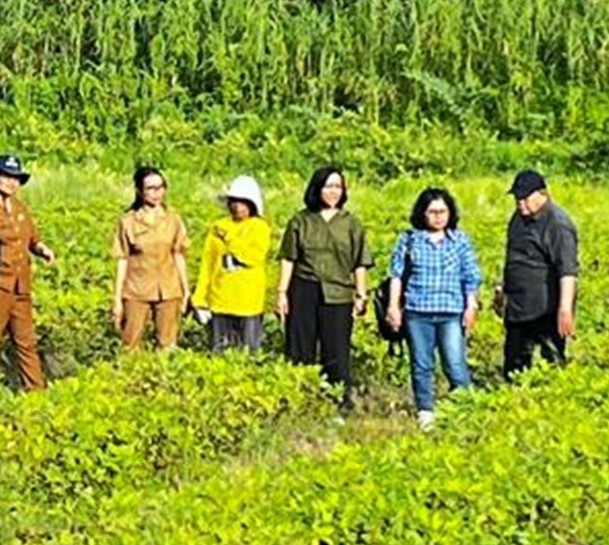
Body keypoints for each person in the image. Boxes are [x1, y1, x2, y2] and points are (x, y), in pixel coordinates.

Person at [384, 186, 483, 431]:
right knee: (421, 363)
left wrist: (471, 306)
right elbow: (396, 275)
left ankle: (463, 408)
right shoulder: (409, 240)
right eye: (432, 212)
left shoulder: (459, 240)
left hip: (451, 311)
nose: (438, 216)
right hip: (418, 311)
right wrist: (393, 306)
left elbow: (470, 276)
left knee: (455, 362)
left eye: (443, 211)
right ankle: (425, 411)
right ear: (423, 214)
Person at [276, 165, 370, 410]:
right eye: (328, 186)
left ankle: (337, 403)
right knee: (300, 348)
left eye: (338, 186)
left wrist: (361, 294)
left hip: (338, 293)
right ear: (317, 188)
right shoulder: (300, 220)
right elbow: (288, 258)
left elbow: (360, 261)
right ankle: (300, 401)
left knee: (336, 350)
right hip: (304, 289)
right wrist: (282, 293)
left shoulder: (351, 223)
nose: (333, 191)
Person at [0, 153, 55, 389]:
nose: (11, 182)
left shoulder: (20, 207)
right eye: (6, 176)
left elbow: (32, 239)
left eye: (16, 178)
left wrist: (42, 249)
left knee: (26, 341)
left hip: (21, 285)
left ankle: (36, 392)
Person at [494, 169, 579, 377]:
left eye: (525, 198)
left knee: (550, 362)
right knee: (514, 365)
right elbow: (513, 258)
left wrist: (565, 308)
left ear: (542, 194)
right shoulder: (518, 219)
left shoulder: (557, 224)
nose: (520, 203)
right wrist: (501, 291)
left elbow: (567, 269)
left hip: (546, 309)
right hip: (517, 306)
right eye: (517, 198)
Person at [112, 166, 191, 351]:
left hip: (169, 289)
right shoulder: (128, 221)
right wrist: (117, 298)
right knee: (130, 344)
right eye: (151, 189)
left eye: (161, 187)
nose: (157, 193)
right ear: (139, 191)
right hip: (136, 290)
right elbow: (122, 259)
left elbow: (178, 254)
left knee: (167, 344)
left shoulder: (173, 219)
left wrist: (185, 289)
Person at [193, 175, 271, 354]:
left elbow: (253, 257)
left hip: (248, 304)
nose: (237, 206)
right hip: (220, 301)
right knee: (219, 352)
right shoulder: (218, 226)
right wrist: (199, 298)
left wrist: (229, 238)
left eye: (243, 201)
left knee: (248, 354)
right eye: (234, 201)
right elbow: (208, 263)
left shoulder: (259, 227)